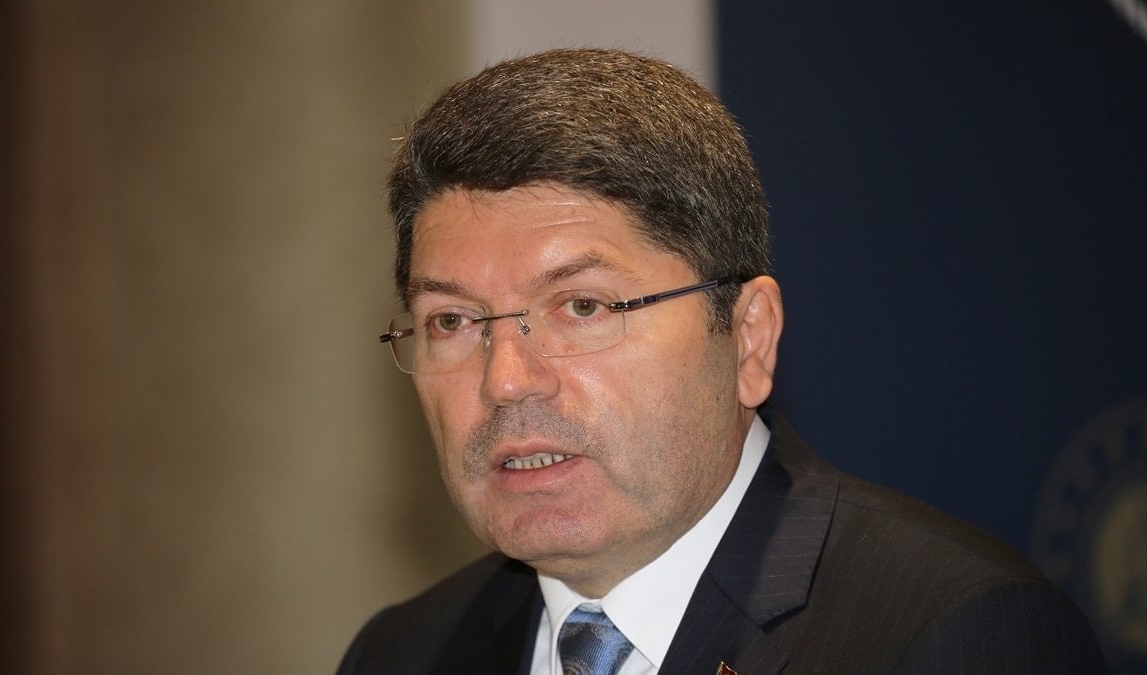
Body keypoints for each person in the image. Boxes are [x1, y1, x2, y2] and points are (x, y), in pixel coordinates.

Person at [338, 48, 1104, 674]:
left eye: (583, 307)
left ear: (748, 337)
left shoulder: (954, 634)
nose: (505, 379)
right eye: (452, 321)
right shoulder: (401, 653)